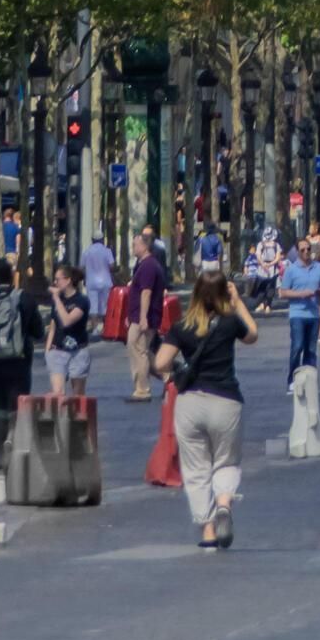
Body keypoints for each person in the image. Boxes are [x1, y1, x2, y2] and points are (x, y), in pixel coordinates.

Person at [154, 265, 257, 553]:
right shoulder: (228, 322)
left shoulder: (182, 327)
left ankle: (208, 531)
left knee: (196, 468)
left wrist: (174, 370)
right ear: (225, 292)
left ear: (196, 294)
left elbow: (160, 363)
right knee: (226, 461)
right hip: (226, 400)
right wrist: (237, 304)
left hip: (191, 403)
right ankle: (224, 503)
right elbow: (253, 334)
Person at [0, 258, 37, 452]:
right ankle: (13, 440)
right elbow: (38, 331)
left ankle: (2, 458)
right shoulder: (24, 298)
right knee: (16, 408)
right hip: (18, 363)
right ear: (12, 275)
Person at [279, 235, 320, 382]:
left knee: (311, 350)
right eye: (303, 250)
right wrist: (302, 294)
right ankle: (292, 380)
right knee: (297, 346)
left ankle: (309, 381)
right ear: (298, 252)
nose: (307, 252)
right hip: (297, 314)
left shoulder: (319, 268)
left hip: (314, 314)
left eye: (308, 249)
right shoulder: (291, 270)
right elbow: (283, 292)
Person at [124, 231, 167, 401]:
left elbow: (146, 293)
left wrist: (142, 318)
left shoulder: (148, 266)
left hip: (145, 318)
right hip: (139, 316)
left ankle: (142, 389)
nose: (133, 248)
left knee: (137, 349)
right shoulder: (144, 264)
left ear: (144, 246)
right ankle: (168, 376)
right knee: (143, 350)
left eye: (135, 244)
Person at [46, 264, 94, 396]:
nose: (55, 283)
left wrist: (56, 299)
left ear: (68, 280)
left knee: (78, 395)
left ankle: (77, 416)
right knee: (58, 393)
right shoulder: (57, 300)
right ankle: (61, 416)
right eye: (54, 280)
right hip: (58, 349)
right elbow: (54, 324)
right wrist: (48, 349)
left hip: (78, 350)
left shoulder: (81, 300)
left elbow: (67, 321)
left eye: (58, 279)